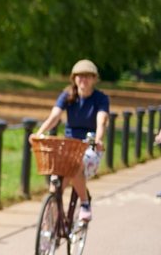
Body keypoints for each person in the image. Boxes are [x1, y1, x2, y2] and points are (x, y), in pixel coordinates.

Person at [29, 59, 109, 222]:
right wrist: (39, 133)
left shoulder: (100, 99)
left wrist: (98, 140)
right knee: (56, 181)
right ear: (74, 78)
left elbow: (102, 121)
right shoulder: (67, 95)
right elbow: (55, 116)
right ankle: (55, 217)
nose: (83, 80)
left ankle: (85, 203)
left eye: (87, 76)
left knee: (75, 165)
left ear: (94, 79)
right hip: (68, 145)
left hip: (89, 146)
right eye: (79, 76)